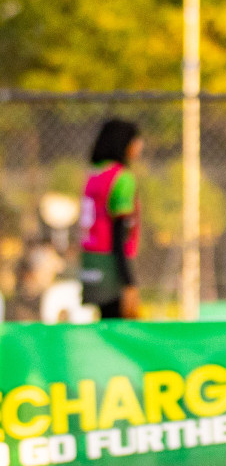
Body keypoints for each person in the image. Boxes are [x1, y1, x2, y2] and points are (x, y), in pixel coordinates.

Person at [79, 118, 143, 320]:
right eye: (136, 140)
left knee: (105, 323)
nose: (140, 146)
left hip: (90, 262)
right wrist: (129, 283)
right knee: (121, 331)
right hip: (112, 265)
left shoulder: (95, 174)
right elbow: (118, 233)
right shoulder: (121, 178)